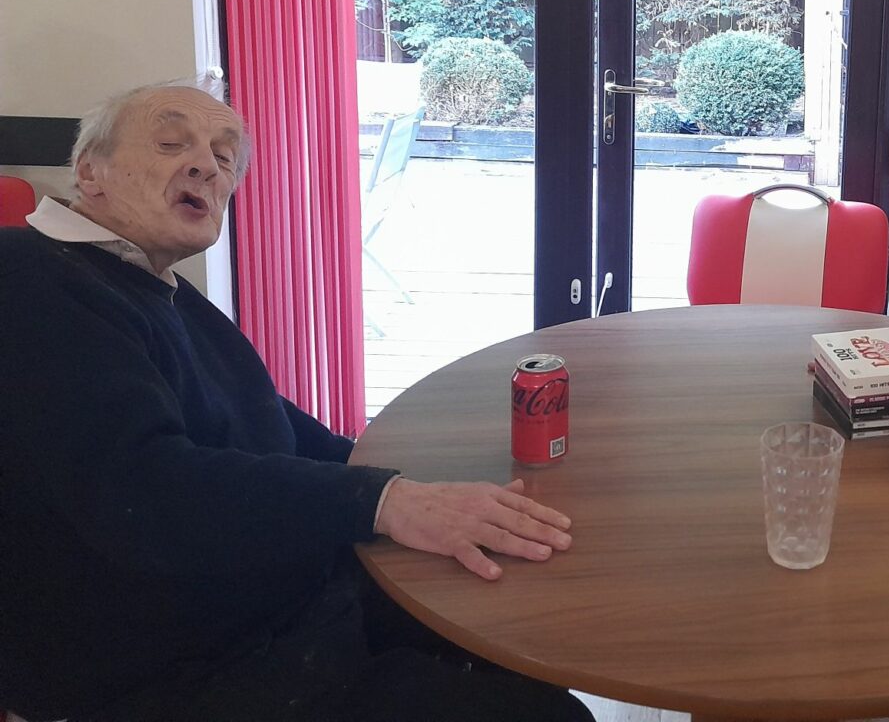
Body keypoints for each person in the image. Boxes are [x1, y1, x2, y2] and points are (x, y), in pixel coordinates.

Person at [0, 80, 594, 722]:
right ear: (90, 171)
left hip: (283, 607)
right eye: (172, 143)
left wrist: (409, 484)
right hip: (174, 667)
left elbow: (269, 421)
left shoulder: (150, 283)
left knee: (522, 627)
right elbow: (143, 491)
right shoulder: (29, 277)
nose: (207, 166)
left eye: (224, 157)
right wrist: (382, 500)